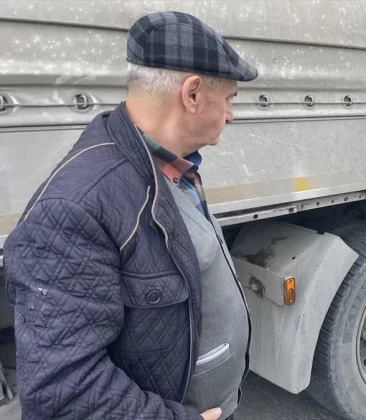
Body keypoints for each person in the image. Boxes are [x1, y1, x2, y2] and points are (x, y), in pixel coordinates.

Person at [3, 11, 258, 420]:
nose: (231, 114)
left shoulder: (168, 162)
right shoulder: (75, 209)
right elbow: (63, 392)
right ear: (192, 94)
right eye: (229, 99)